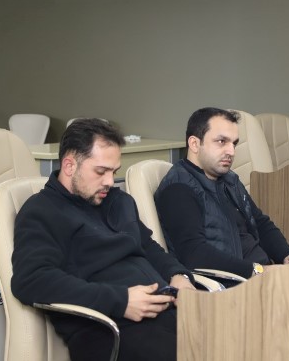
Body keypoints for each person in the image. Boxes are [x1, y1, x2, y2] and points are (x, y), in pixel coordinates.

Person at [11, 118, 195, 361]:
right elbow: (31, 280)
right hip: (113, 331)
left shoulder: (119, 202)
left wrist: (179, 275)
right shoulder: (42, 211)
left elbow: (149, 248)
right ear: (69, 165)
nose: (109, 181)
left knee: (236, 334)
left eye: (114, 172)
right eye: (101, 171)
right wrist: (121, 301)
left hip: (168, 316)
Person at [155, 107, 289, 280]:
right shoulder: (178, 189)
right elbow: (194, 254)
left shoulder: (229, 180)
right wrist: (258, 270)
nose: (231, 151)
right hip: (235, 284)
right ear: (194, 144)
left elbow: (260, 223)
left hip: (262, 275)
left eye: (234, 143)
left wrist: (285, 254)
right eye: (221, 141)